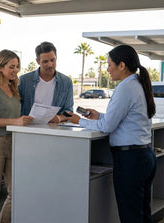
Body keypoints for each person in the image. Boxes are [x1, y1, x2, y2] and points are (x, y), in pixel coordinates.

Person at [67, 44, 157, 223]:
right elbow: (127, 117)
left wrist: (80, 121)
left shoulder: (125, 88)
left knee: (130, 216)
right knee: (143, 214)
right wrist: (98, 115)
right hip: (145, 156)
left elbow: (108, 127)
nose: (107, 69)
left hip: (131, 160)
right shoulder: (138, 83)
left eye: (109, 65)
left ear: (121, 65)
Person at [0, 49, 33, 223]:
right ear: (0, 67)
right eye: (11, 66)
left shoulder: (14, 88)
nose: (16, 70)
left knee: (15, 191)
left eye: (17, 66)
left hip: (13, 143)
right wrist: (16, 122)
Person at [18, 41, 73, 123]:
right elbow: (16, 108)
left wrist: (59, 117)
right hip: (28, 129)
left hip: (54, 131)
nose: (50, 65)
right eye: (45, 61)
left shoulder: (66, 82)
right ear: (38, 61)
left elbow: (69, 111)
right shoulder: (24, 81)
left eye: (52, 60)